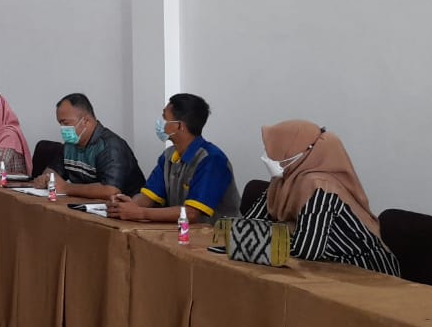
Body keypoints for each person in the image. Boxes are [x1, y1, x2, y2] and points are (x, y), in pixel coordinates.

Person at [244, 120, 399, 276]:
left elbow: (306, 249)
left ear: (294, 151)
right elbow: (246, 226)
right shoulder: (282, 181)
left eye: (274, 147)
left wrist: (266, 236)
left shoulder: (320, 187)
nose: (266, 155)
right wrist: (280, 232)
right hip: (317, 267)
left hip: (362, 270)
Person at [109, 94, 240, 223]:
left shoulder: (212, 160)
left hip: (218, 234)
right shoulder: (168, 156)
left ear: (179, 126)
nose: (160, 123)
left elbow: (192, 213)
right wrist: (125, 205)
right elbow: (148, 197)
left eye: (164, 118)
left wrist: (140, 213)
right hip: (182, 231)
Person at [31, 93, 145, 197]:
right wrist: (46, 178)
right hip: (87, 205)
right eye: (60, 123)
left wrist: (66, 188)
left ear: (86, 121)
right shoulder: (70, 144)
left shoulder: (110, 146)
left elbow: (110, 190)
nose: (62, 128)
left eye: (66, 123)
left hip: (128, 208)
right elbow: (53, 171)